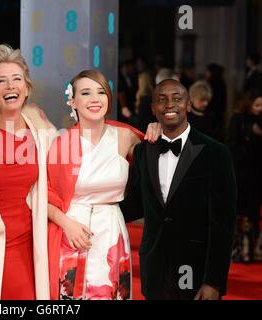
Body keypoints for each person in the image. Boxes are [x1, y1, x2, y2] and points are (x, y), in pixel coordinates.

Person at [120, 79, 237, 300]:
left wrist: (213, 281)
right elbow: (136, 204)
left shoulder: (216, 153)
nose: (169, 105)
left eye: (177, 98)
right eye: (161, 100)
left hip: (195, 269)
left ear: (188, 105)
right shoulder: (143, 152)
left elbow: (224, 224)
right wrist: (92, 211)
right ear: (153, 108)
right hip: (154, 267)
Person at [47, 69, 157, 300]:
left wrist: (157, 128)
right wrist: (66, 223)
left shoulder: (125, 136)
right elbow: (42, 196)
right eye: (86, 93)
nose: (95, 99)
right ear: (72, 100)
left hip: (111, 232)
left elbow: (157, 156)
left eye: (101, 92)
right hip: (73, 234)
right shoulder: (60, 143)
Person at [0, 44, 56, 300]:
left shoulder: (41, 129)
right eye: (2, 81)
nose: (11, 87)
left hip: (34, 242)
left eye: (16, 79)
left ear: (27, 87)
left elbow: (79, 155)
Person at [227, 95, 262, 262]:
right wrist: (250, 135)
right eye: (257, 104)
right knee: (239, 214)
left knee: (253, 214)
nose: (260, 108)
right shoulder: (238, 119)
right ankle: (238, 251)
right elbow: (231, 144)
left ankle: (253, 251)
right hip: (240, 174)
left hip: (256, 175)